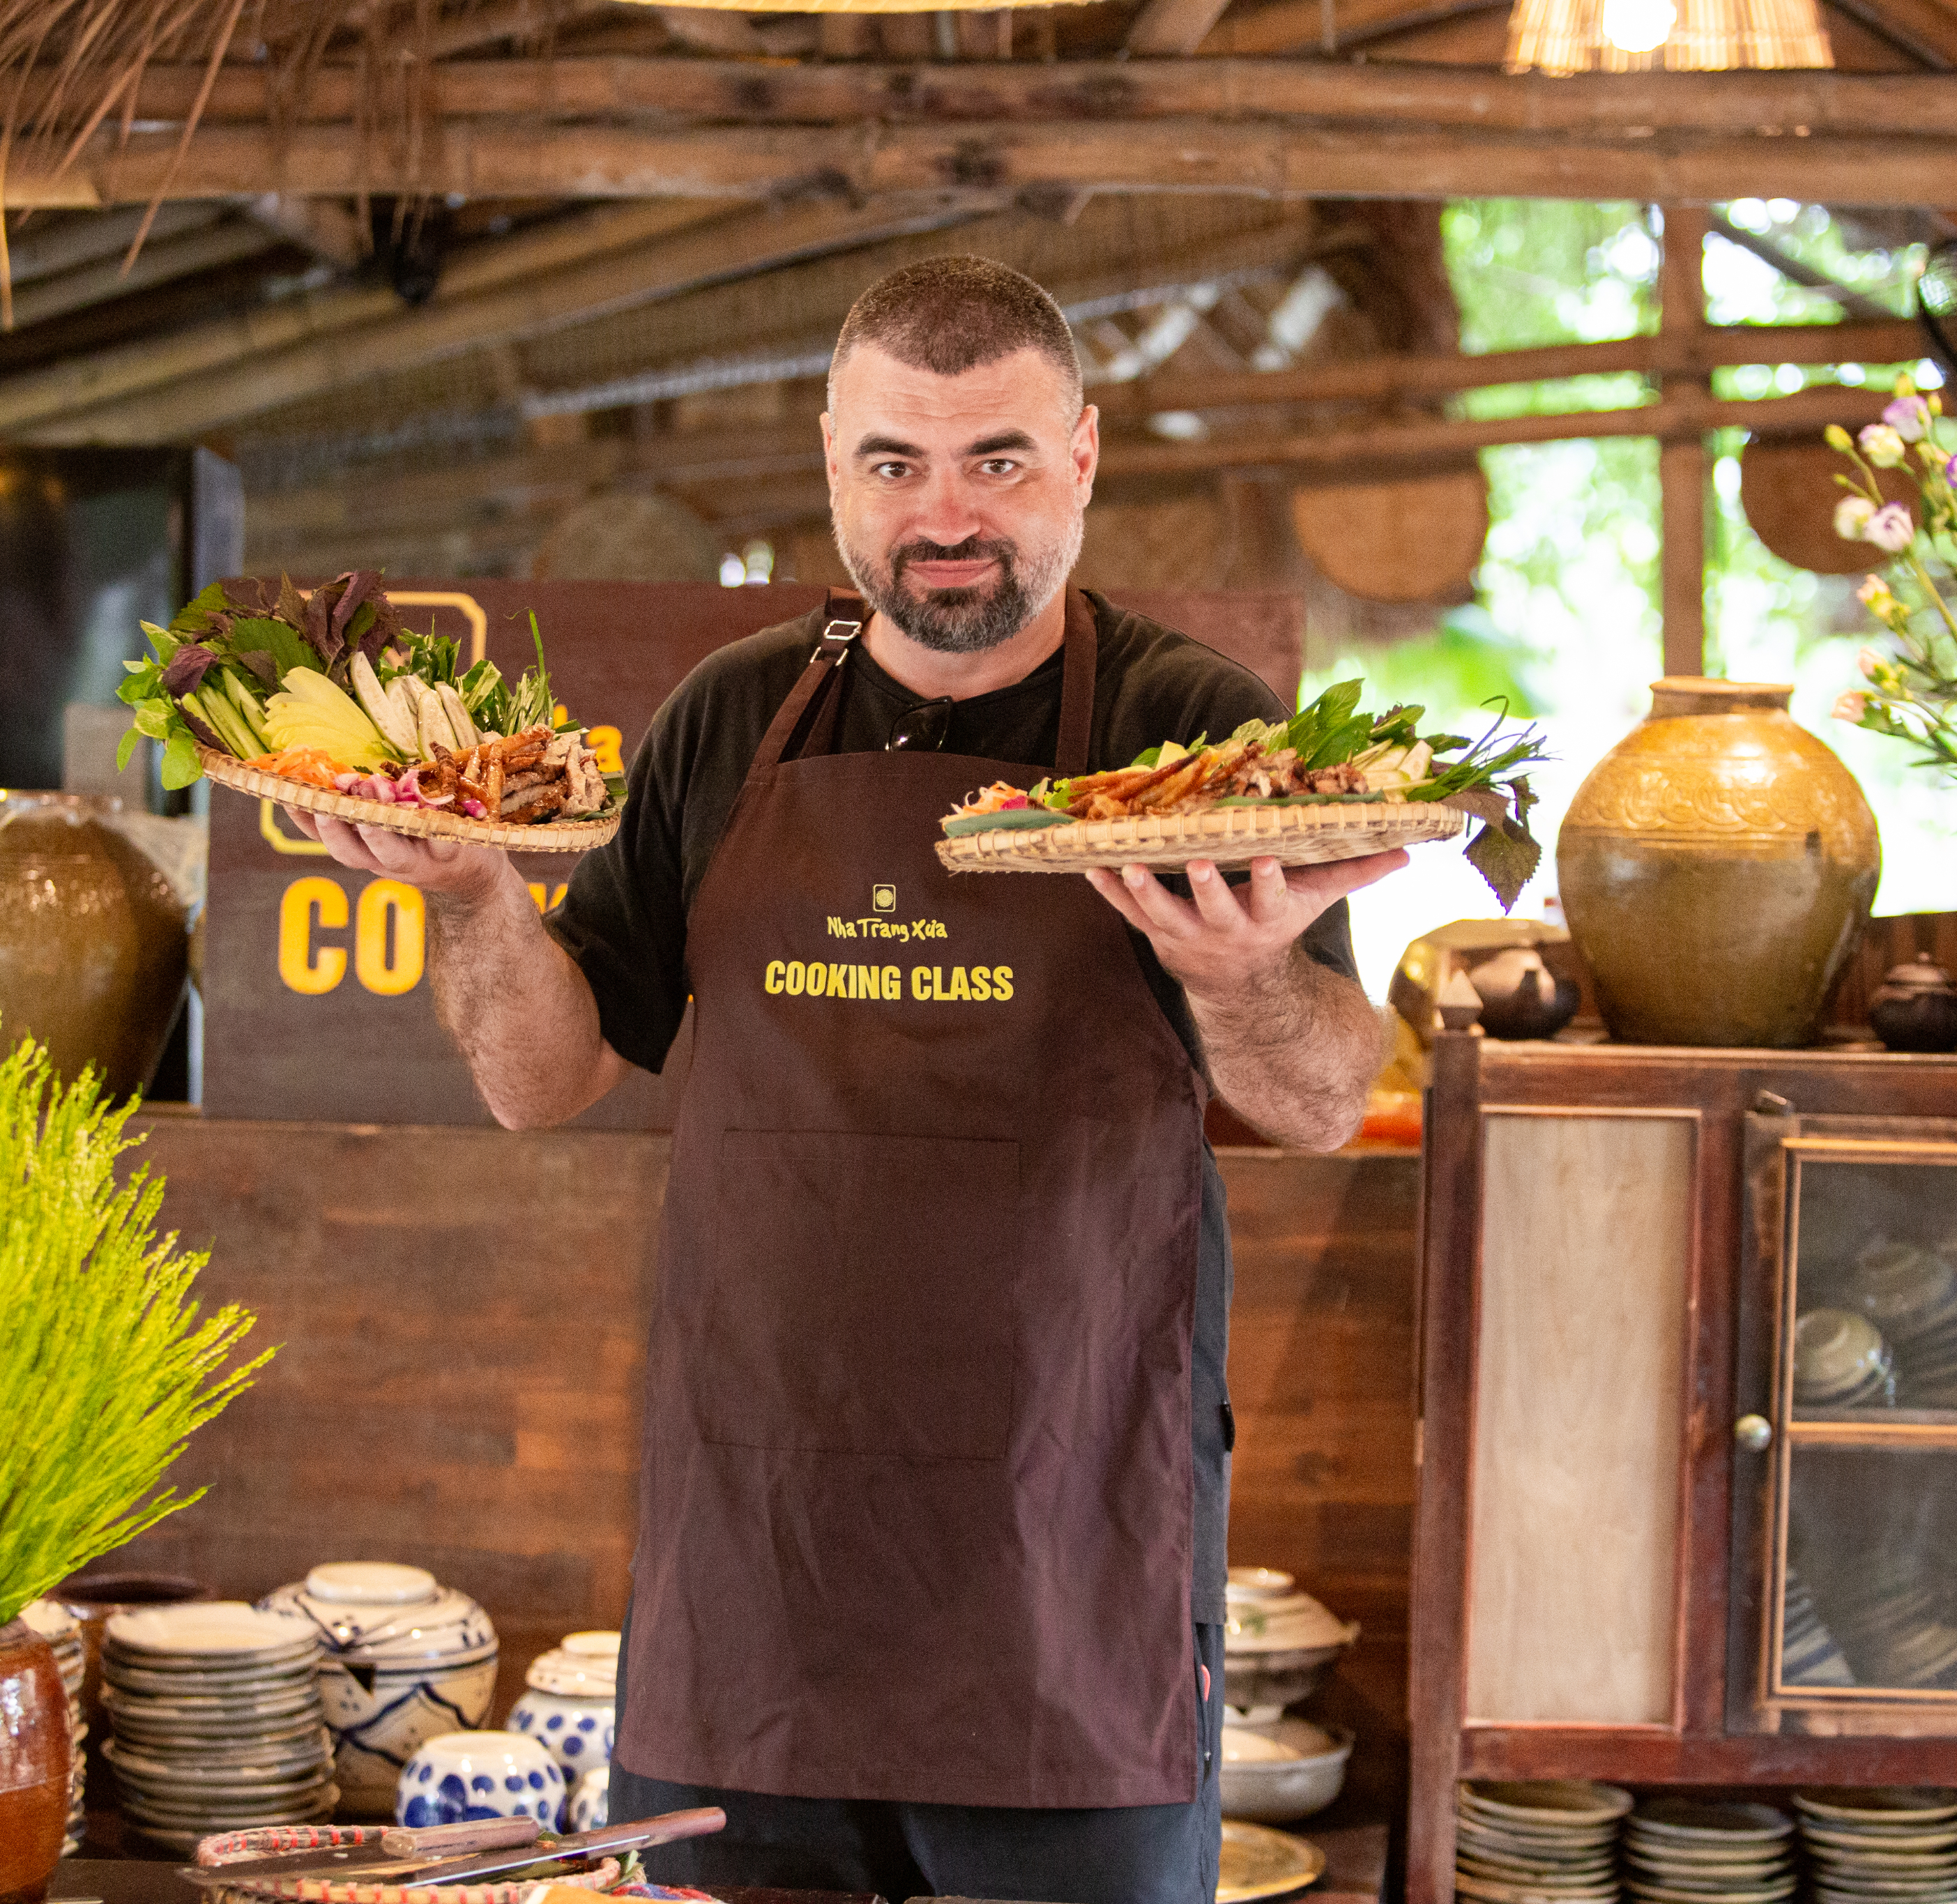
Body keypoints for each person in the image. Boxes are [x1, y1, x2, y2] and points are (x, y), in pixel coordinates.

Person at [293, 254, 1406, 1901]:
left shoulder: (1186, 729)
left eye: (996, 461)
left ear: (1080, 458)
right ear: (831, 464)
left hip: (1067, 1567)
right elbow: (544, 1079)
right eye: (895, 463)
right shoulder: (731, 716)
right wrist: (471, 898)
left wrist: (1241, 976)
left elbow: (1318, 1102)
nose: (944, 517)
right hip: (756, 1577)